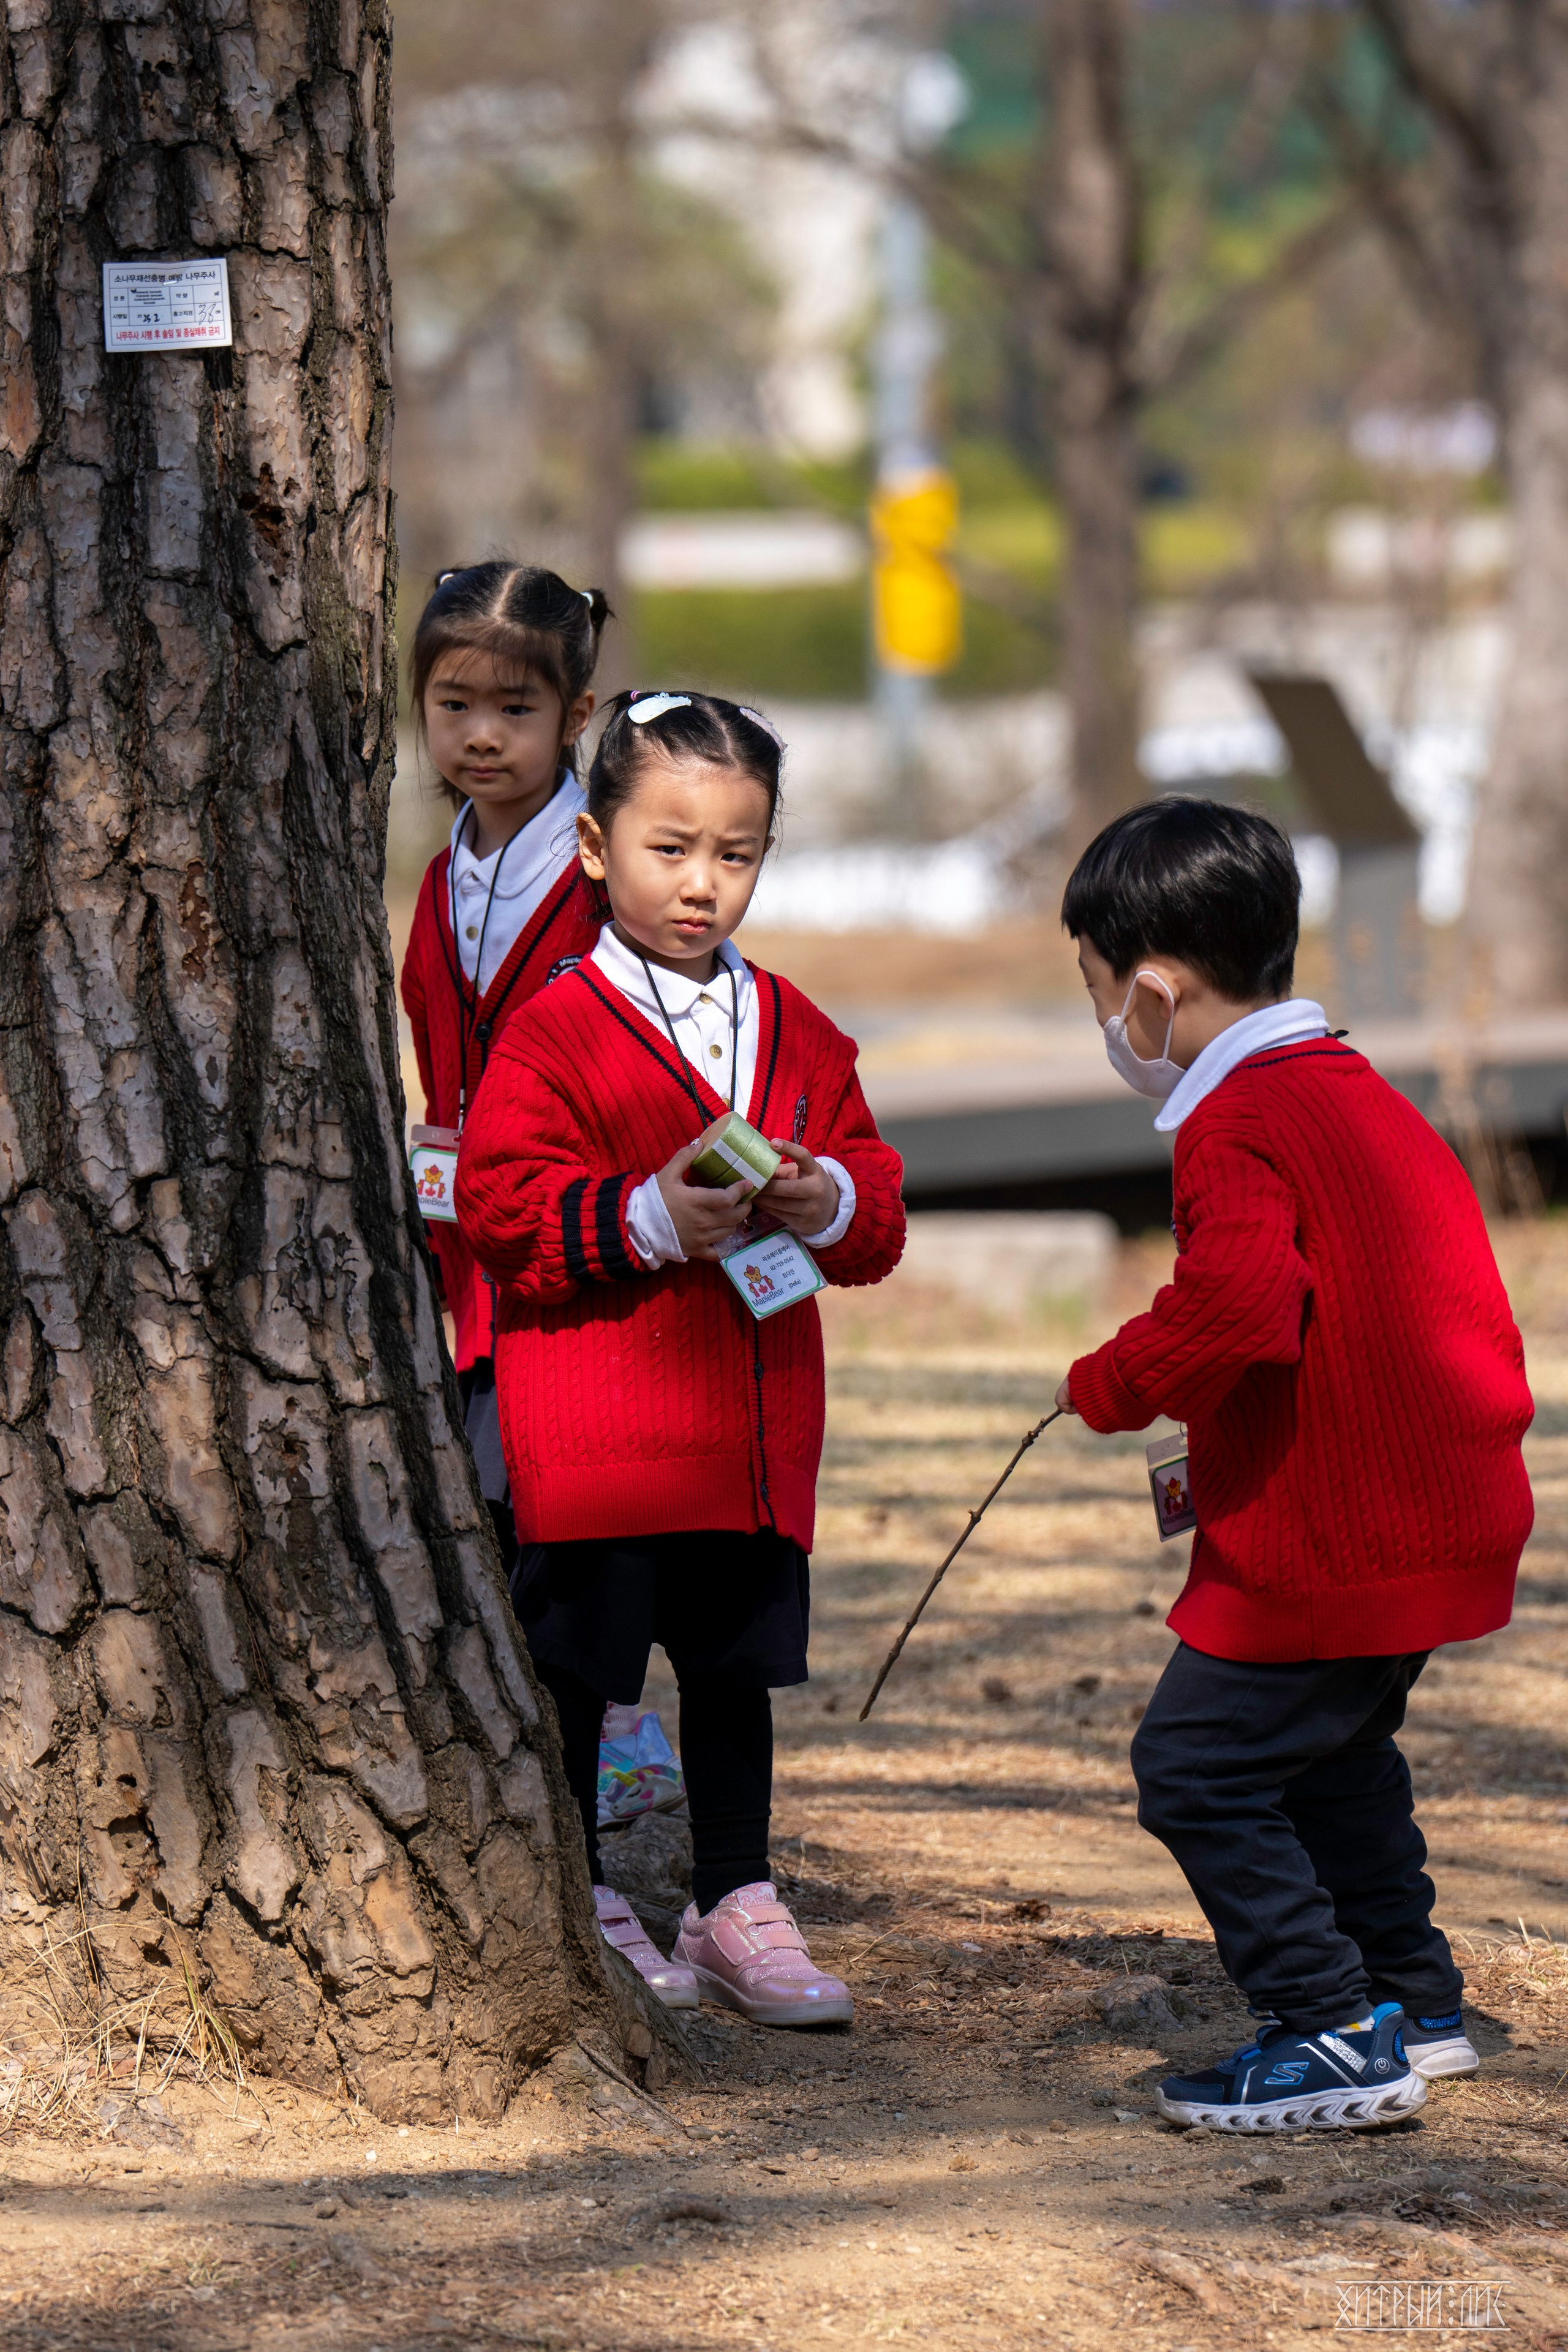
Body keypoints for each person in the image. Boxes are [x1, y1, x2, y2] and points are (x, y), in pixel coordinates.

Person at [1056, 798, 1533, 2133]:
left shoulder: (1238, 1122)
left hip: (1339, 1527)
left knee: (1196, 1767)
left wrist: (1108, 1383)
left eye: (1100, 997)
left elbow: (1233, 1312)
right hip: (1438, 1506)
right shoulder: (1345, 1083)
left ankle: (1324, 2029)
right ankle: (1412, 2001)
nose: (1106, 1028)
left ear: (1151, 988)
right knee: (1330, 1756)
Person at [456, 689, 906, 2020]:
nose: (702, 884)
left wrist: (825, 1196)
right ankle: (583, 1882)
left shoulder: (802, 1032)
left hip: (752, 1428)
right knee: (583, 1674)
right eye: (669, 848)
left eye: (736, 852)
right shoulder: (549, 1027)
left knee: (732, 1670)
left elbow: (874, 1206)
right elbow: (501, 1208)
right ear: (593, 848)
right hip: (595, 1424)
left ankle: (731, 1898)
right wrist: (641, 1214)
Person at [399, 563, 609, 1574]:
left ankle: (611, 1721)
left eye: (514, 708)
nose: (481, 734)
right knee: (488, 1498)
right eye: (455, 705)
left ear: (577, 715)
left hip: (581, 1239)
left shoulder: (610, 880)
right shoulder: (442, 880)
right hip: (466, 1243)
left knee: (562, 1503)